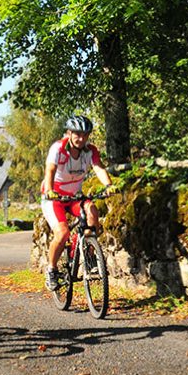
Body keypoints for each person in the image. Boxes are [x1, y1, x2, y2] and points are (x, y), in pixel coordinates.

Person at [40, 115, 114, 291]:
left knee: (92, 211)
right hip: (54, 198)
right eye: (77, 134)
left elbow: (99, 168)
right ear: (69, 133)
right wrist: (50, 190)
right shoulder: (58, 148)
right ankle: (51, 269)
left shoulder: (90, 151)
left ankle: (86, 256)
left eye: (85, 135)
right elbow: (50, 170)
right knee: (63, 232)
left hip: (74, 196)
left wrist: (109, 185)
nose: (81, 139)